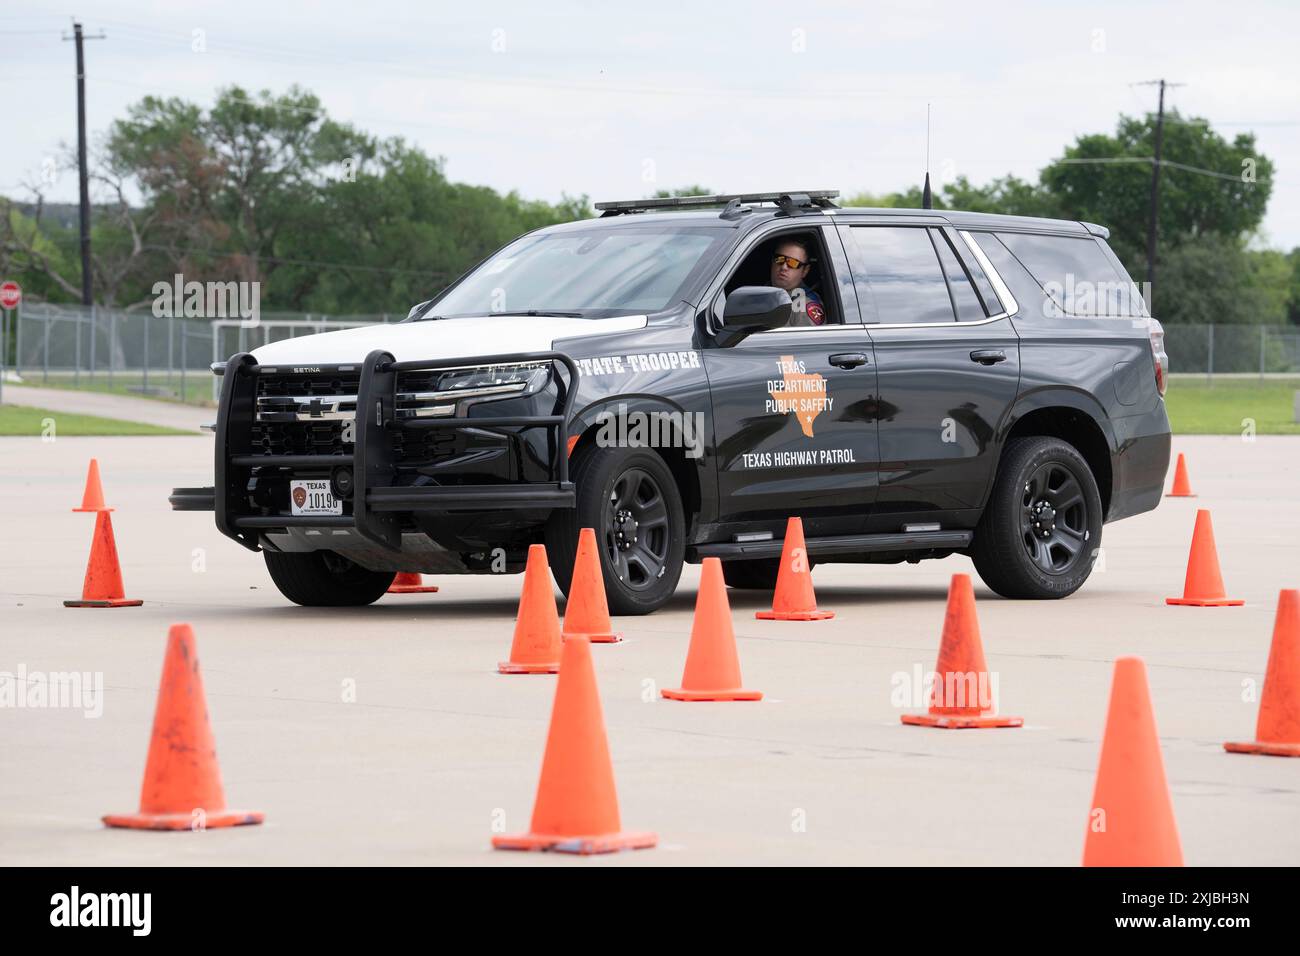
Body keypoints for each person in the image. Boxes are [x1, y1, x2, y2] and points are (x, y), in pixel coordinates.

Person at [769, 238, 826, 326]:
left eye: (793, 263)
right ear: (772, 261)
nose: (784, 267)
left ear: (805, 271)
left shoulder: (802, 306)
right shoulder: (763, 291)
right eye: (779, 259)